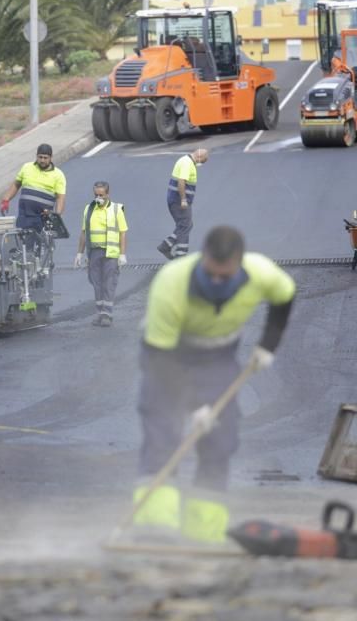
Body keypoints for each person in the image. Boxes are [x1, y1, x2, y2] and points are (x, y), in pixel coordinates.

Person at [134, 226, 295, 543]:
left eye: (226, 275)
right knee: (164, 434)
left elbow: (285, 295)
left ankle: (203, 532)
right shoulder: (172, 282)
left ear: (239, 263)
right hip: (167, 357)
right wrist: (192, 405)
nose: (218, 281)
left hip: (218, 360)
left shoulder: (260, 272)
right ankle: (154, 527)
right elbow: (161, 360)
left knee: (220, 440)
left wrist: (268, 345)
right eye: (212, 274)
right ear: (203, 258)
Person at [74, 181, 128, 327]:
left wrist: (122, 254)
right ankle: (99, 313)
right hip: (94, 252)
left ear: (108, 194)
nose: (99, 198)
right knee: (96, 283)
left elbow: (123, 233)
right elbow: (84, 233)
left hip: (111, 253)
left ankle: (107, 314)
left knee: (109, 283)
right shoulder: (89, 209)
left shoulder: (116, 209)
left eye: (101, 195)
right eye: (96, 195)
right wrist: (79, 253)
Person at [0, 144, 66, 231]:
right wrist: (6, 200)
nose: (42, 160)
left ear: (51, 158)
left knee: (44, 243)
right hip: (24, 215)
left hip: (43, 217)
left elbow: (60, 198)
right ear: (36, 156)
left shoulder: (58, 175)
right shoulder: (26, 167)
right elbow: (16, 184)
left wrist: (57, 217)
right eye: (40, 157)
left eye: (45, 158)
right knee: (23, 242)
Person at [158, 148, 208, 260]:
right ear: (199, 156)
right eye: (202, 161)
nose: (200, 164)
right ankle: (180, 257)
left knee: (185, 225)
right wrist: (184, 200)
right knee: (185, 226)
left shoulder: (185, 160)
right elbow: (181, 181)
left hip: (176, 200)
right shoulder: (187, 163)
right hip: (179, 201)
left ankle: (166, 245)